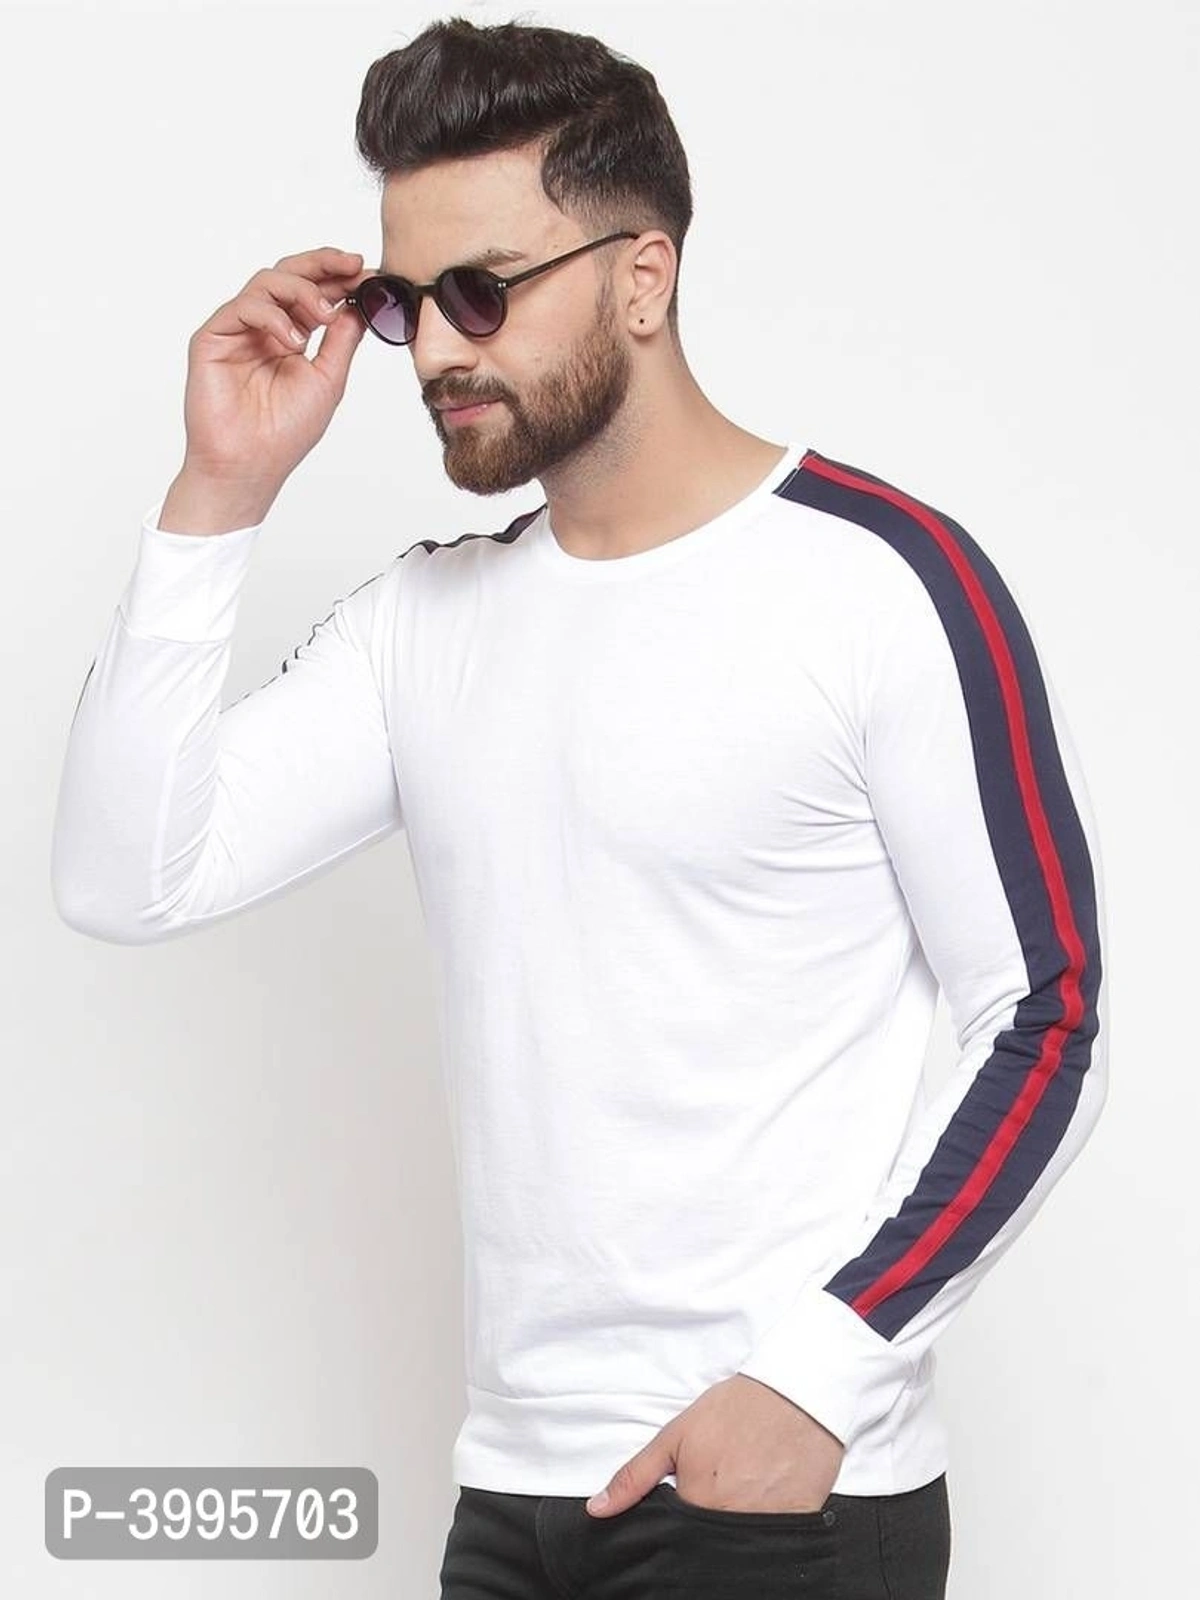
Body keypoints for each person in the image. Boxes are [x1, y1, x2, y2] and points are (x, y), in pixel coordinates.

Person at [50, 15, 1107, 1600]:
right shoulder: (425, 623)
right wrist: (221, 493)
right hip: (511, 1492)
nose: (438, 349)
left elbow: (1044, 1014)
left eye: (483, 290)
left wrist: (818, 1377)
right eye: (406, 303)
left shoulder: (883, 583)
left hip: (775, 1501)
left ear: (643, 278)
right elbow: (125, 877)